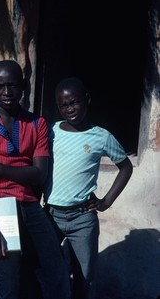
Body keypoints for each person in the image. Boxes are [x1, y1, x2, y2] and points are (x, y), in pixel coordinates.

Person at [0, 59, 71, 299]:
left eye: (13, 85)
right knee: (9, 280)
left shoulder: (37, 123)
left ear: (23, 86)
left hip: (30, 204)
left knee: (56, 272)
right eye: (0, 86)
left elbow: (39, 173)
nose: (7, 92)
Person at [43, 77, 133, 299]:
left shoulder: (101, 136)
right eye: (63, 105)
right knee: (47, 272)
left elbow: (125, 167)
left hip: (82, 218)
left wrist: (106, 201)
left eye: (74, 102)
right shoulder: (51, 132)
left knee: (84, 278)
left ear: (87, 100)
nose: (70, 109)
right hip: (51, 215)